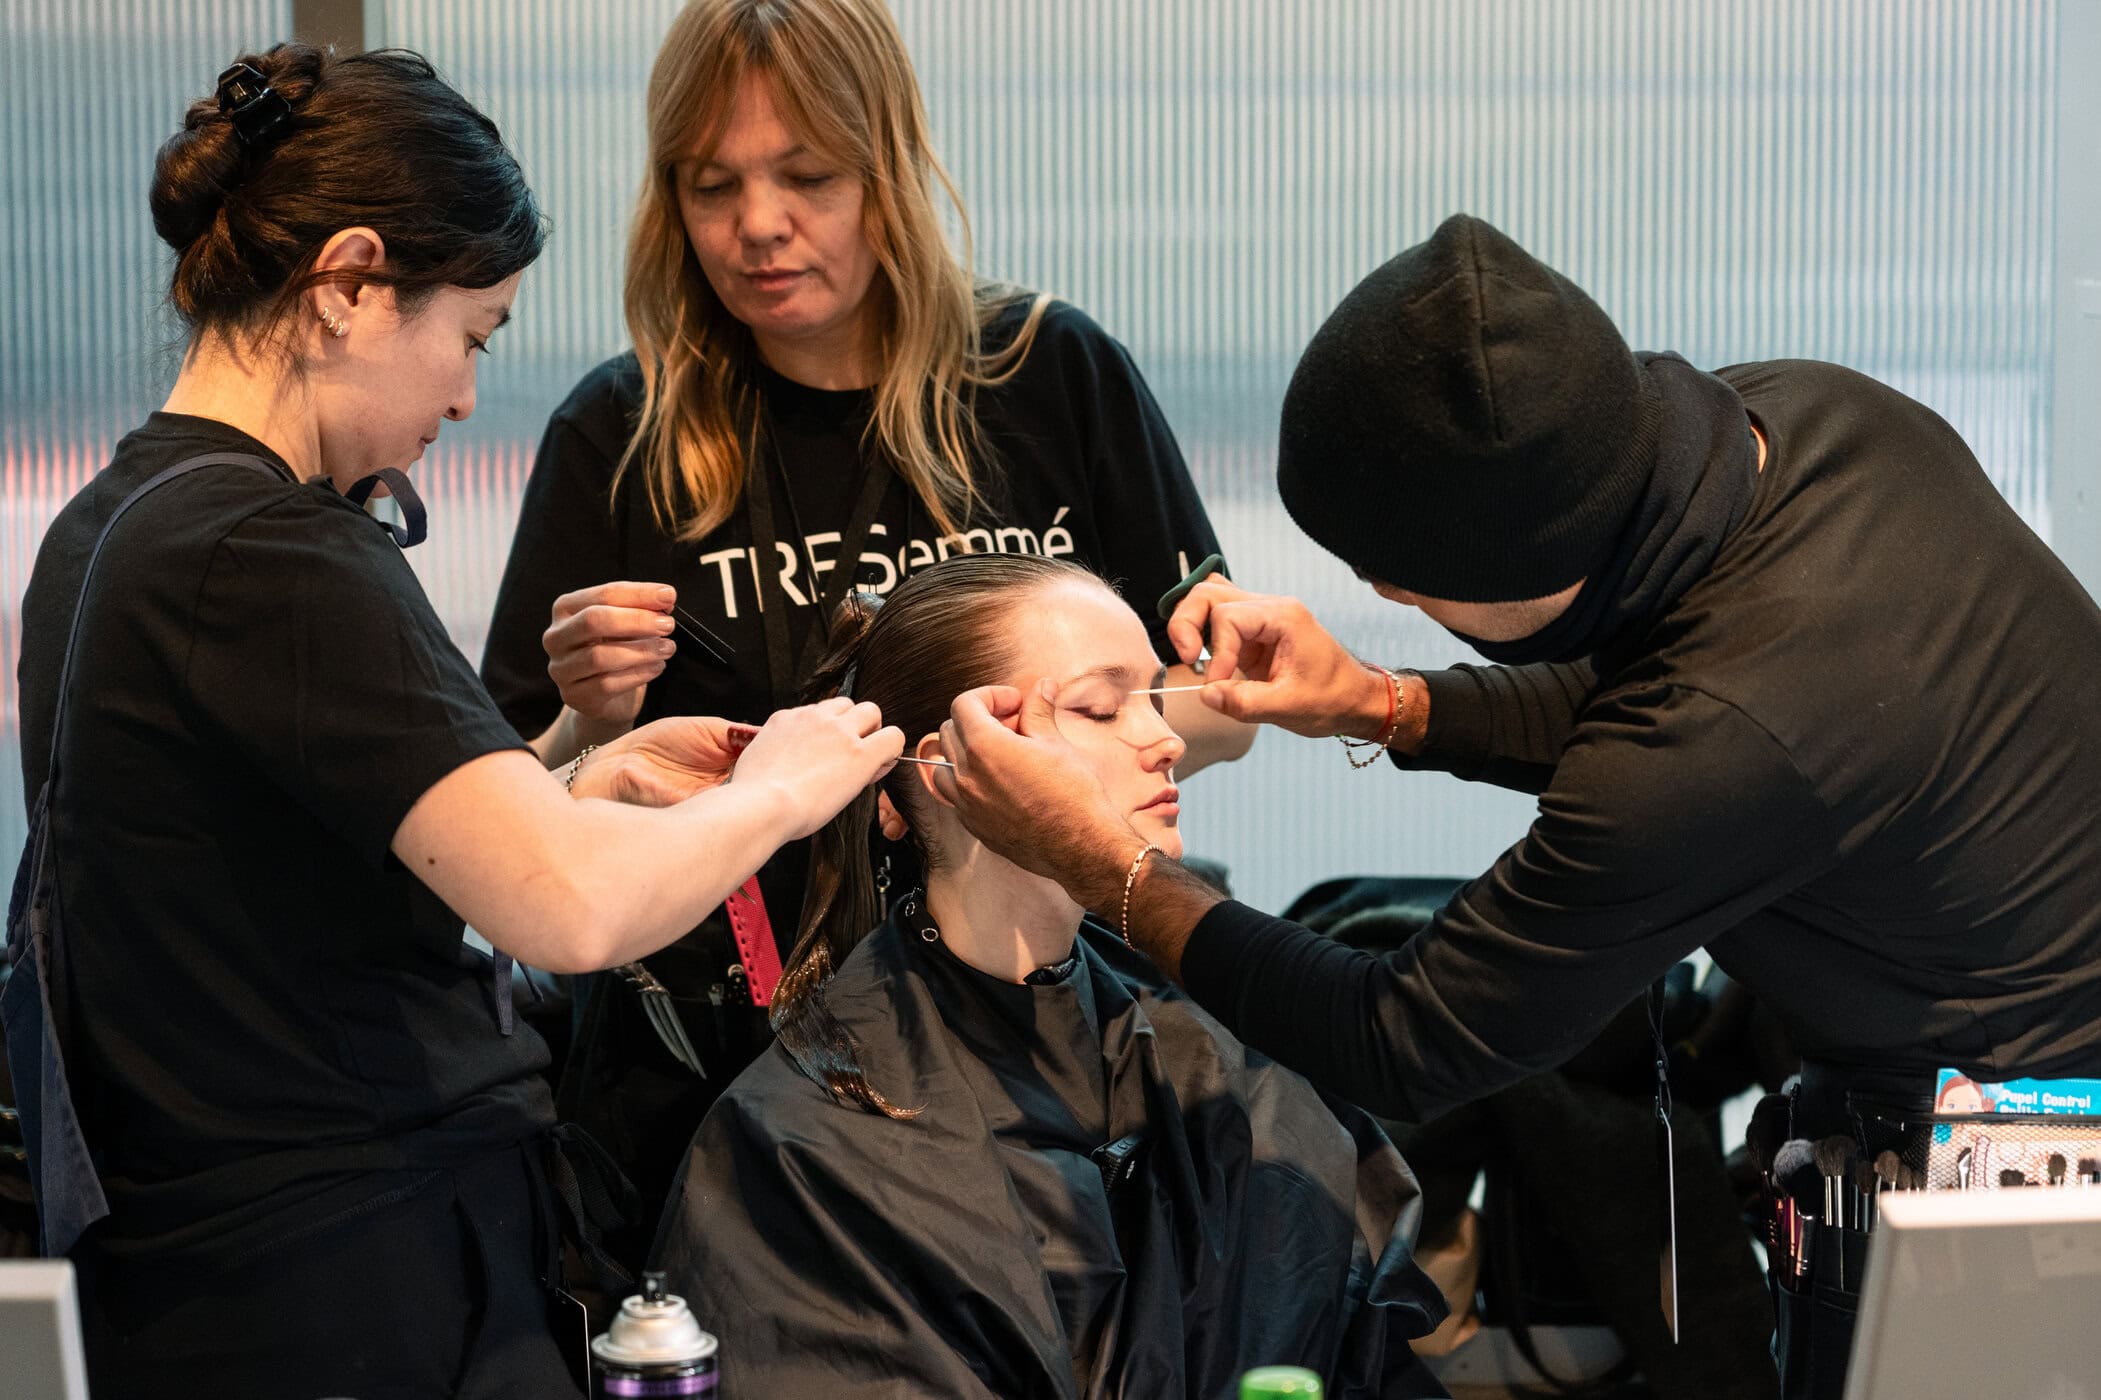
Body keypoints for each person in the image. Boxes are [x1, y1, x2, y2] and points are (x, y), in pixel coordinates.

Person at [928, 214, 2101, 1399]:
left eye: (1399, 587)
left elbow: (1406, 1038)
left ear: (1519, 577)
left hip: (2015, 1170)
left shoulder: (1715, 742)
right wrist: (1379, 701)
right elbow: (1654, 683)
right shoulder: (1805, 421)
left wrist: (1107, 869)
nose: (1150, 734)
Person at [9, 44, 898, 1399]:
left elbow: (306, 858)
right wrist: (783, 781)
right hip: (349, 1289)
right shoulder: (269, 549)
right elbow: (571, 915)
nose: (468, 397)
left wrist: (568, 776)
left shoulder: (117, 524)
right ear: (354, 283)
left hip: (212, 1285)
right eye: (470, 335)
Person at [480, 0, 1247, 1251]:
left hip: (1043, 1041)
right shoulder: (618, 435)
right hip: (716, 1078)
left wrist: (1103, 720)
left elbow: (1210, 720)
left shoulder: (1050, 377)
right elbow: (513, 824)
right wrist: (591, 718)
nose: (758, 225)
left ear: (888, 171)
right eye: (709, 184)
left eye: (808, 176)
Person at [652, 553, 1445, 1397]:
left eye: (1152, 697)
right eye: (1100, 708)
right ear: (951, 770)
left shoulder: (1230, 1071)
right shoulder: (806, 1152)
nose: (1165, 739)